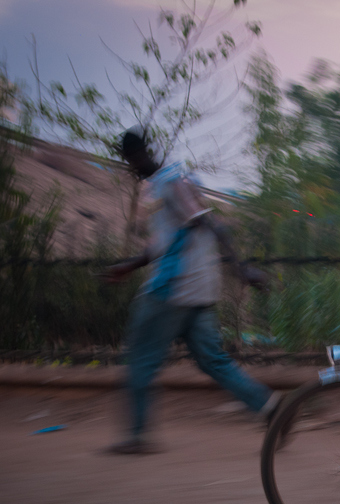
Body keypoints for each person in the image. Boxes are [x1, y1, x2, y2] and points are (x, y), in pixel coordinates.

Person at [103, 127, 280, 454]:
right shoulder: (164, 186)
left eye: (131, 159)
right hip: (199, 292)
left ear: (140, 154)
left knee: (141, 355)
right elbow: (163, 244)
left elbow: (211, 224)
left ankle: (138, 436)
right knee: (213, 361)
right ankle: (271, 408)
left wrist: (240, 268)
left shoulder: (171, 182)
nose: (132, 166)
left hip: (171, 290)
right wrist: (129, 266)